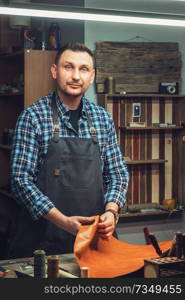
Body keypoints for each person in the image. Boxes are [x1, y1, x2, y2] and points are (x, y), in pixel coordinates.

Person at [8, 42, 129, 259]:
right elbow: (20, 181)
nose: (76, 76)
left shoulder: (102, 118)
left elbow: (117, 174)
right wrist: (63, 221)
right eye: (68, 67)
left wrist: (111, 211)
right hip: (43, 241)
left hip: (94, 239)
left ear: (92, 76)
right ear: (55, 71)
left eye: (83, 69)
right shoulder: (33, 117)